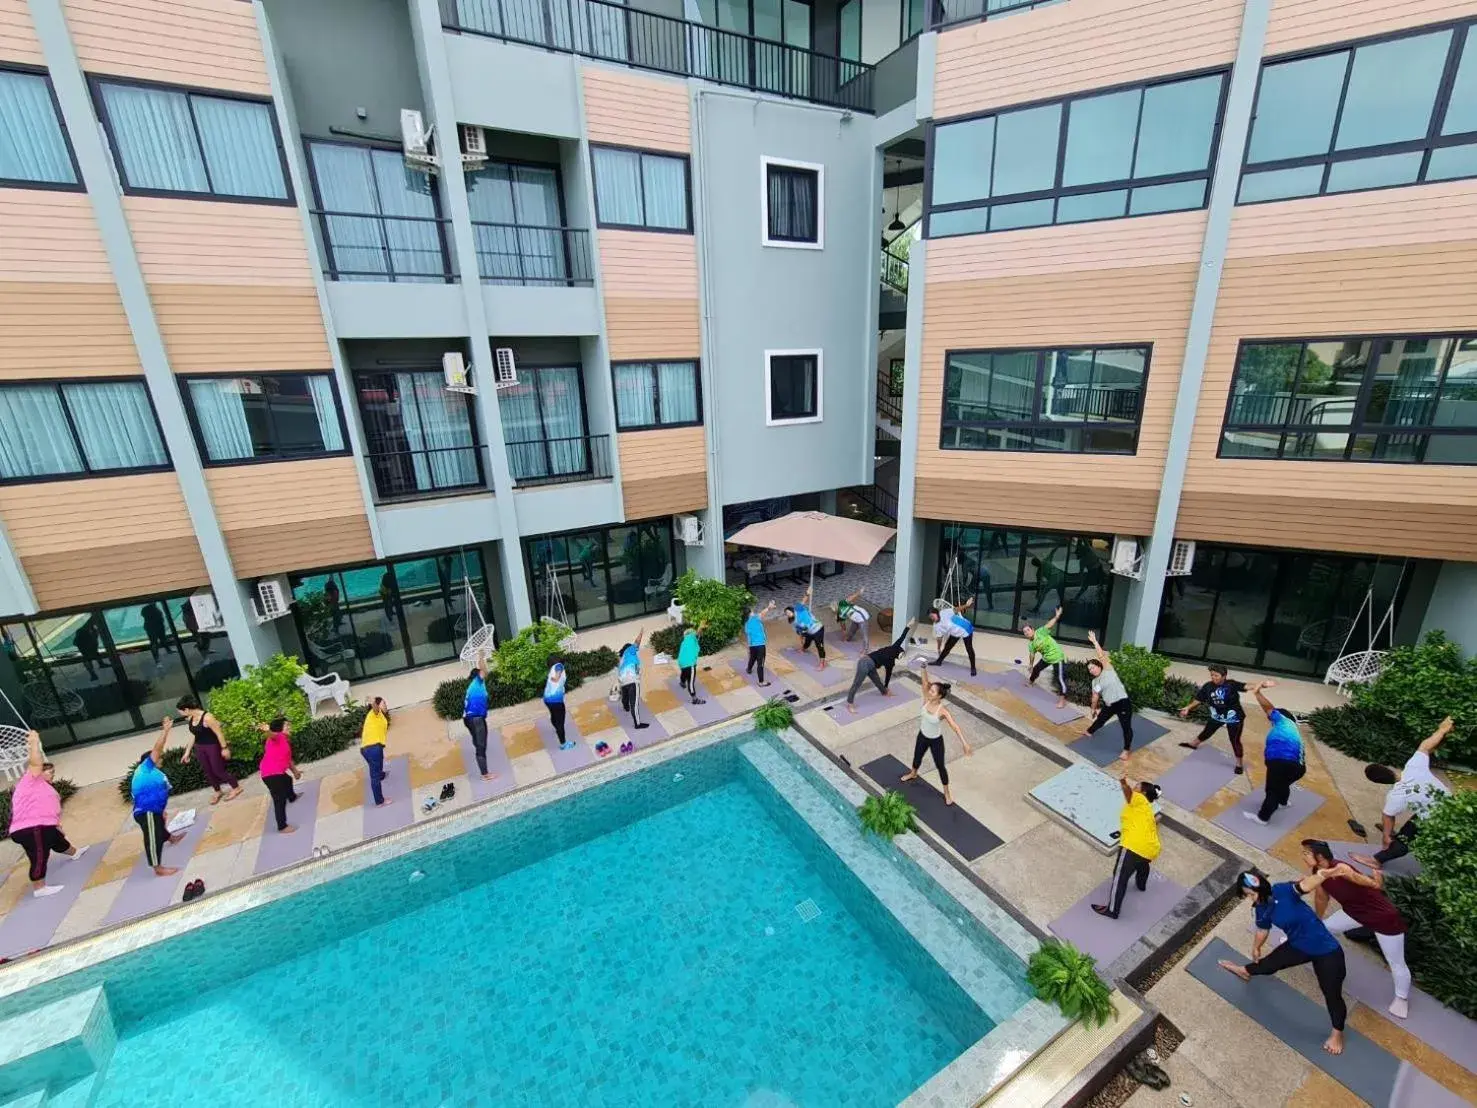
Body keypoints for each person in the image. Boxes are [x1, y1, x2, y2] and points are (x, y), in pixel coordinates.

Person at [1218, 870, 1348, 1056]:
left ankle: (1337, 1033)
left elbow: (1305, 886)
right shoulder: (1261, 908)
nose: (1251, 899)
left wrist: (1324, 874)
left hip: (1327, 950)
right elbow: (1262, 930)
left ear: (1261, 887)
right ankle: (1245, 971)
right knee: (1268, 965)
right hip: (1298, 946)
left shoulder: (1282, 891)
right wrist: (1256, 948)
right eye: (1248, 896)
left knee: (1332, 995)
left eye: (1251, 894)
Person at [1300, 839, 1411, 1019]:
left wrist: (1374, 883)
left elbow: (1358, 878)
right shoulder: (1318, 872)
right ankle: (1301, 943)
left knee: (1396, 962)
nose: (1303, 856)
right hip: (1353, 913)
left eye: (1306, 853)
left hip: (1383, 918)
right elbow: (1321, 897)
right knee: (1325, 927)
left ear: (1319, 856)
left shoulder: (1341, 868)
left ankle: (1401, 999)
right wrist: (1316, 921)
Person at [1353, 716, 1453, 871]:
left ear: (1380, 782)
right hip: (1450, 803)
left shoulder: (1395, 796)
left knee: (1404, 840)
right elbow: (1425, 745)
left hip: (1435, 818)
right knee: (1417, 819)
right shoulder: (1413, 766)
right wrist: (1442, 730)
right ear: (1387, 769)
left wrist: (1386, 837)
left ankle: (1377, 860)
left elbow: (1388, 816)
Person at [8, 730, 86, 897]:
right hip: (31, 827)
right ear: (38, 772)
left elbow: (51, 810)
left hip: (44, 825)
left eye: (53, 772)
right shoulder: (30, 780)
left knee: (56, 840)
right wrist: (34, 742)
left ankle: (74, 853)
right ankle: (39, 888)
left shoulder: (47, 789)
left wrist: (57, 826)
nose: (52, 774)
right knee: (39, 854)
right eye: (49, 771)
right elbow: (35, 762)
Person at [898, 664, 973, 805]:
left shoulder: (942, 711)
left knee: (940, 766)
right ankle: (913, 773)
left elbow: (955, 727)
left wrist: (965, 743)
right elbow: (925, 682)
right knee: (917, 757)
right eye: (930, 690)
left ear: (939, 696)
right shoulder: (926, 699)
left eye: (932, 691)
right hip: (922, 736)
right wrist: (923, 668)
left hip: (935, 741)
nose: (929, 692)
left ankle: (947, 793)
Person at [1093, 777, 1161, 919]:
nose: (1134, 787)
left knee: (1119, 877)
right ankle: (1141, 884)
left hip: (1133, 845)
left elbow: (1128, 794)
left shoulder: (1139, 799)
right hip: (1150, 848)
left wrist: (1123, 783)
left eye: (1137, 786)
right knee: (1142, 863)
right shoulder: (1147, 808)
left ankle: (1112, 910)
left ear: (1143, 793)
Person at [1243, 681, 1305, 827]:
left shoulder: (1283, 720)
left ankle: (1262, 818)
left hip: (1281, 761)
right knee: (1283, 785)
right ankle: (1283, 802)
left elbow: (1268, 708)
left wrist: (1257, 693)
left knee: (1272, 790)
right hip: (1299, 768)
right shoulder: (1294, 730)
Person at [131, 718, 183, 877]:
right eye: (159, 757)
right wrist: (166, 731)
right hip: (146, 811)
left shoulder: (155, 773)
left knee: (158, 826)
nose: (161, 758)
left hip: (154, 809)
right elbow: (158, 748)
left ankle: (171, 838)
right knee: (152, 837)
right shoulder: (145, 769)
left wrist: (161, 810)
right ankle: (158, 868)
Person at [1177, 663, 1248, 774]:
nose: (1213, 678)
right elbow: (1199, 699)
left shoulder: (1231, 684)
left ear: (1224, 676)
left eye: (1216, 675)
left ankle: (1239, 764)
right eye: (1212, 675)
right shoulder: (1208, 686)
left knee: (1234, 740)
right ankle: (1193, 744)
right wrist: (1188, 708)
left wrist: (1261, 685)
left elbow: (1246, 686)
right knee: (1207, 731)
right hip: (1217, 716)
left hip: (1234, 717)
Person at [176, 694, 241, 805]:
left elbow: (219, 733)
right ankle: (217, 791)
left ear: (186, 709)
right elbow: (193, 735)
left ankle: (236, 787)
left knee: (218, 770)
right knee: (208, 771)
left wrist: (224, 748)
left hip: (212, 746)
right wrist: (187, 752)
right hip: (199, 748)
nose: (180, 714)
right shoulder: (191, 718)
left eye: (180, 711)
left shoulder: (207, 717)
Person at [1082, 630, 1134, 761]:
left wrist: (1095, 642)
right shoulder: (1095, 682)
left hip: (1122, 703)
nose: (1092, 670)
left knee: (1125, 727)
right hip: (1109, 705)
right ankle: (1089, 731)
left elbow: (1101, 655)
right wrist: (1093, 709)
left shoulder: (1108, 670)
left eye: (1093, 667)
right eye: (1089, 669)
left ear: (1099, 666)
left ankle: (1126, 750)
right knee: (1100, 719)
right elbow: (1095, 697)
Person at [846, 622, 915, 713]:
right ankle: (850, 703)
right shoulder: (894, 649)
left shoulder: (891, 661)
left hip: (871, 666)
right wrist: (908, 626)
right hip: (865, 662)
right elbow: (902, 637)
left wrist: (886, 687)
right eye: (901, 655)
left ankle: (884, 692)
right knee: (857, 683)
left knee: (877, 680)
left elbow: (888, 675)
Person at [259, 717, 303, 834]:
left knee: (287, 780)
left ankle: (292, 797)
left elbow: (288, 760)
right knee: (279, 799)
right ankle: (282, 826)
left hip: (276, 772)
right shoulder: (278, 737)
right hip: (271, 774)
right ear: (279, 729)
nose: (289, 727)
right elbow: (272, 735)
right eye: (287, 726)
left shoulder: (284, 741)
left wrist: (295, 772)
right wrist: (268, 730)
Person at [1022, 606, 1068, 708]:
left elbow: (1049, 625)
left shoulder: (1041, 632)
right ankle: (1030, 682)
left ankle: (1062, 700)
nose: (1027, 633)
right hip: (1046, 658)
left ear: (1033, 630)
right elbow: (1032, 654)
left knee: (1060, 679)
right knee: (1036, 669)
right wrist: (1030, 664)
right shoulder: (1031, 644)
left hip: (1057, 658)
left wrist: (1057, 616)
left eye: (1028, 630)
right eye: (1024, 632)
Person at [463, 651, 495, 781]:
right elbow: (483, 670)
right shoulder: (477, 682)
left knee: (478, 742)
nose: (484, 676)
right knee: (481, 746)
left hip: (468, 719)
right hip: (476, 719)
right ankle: (485, 774)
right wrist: (481, 657)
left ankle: (479, 755)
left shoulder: (472, 687)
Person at [929, 597, 977, 675]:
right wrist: (938, 648)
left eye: (932, 616)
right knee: (947, 647)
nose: (932, 618)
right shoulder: (936, 626)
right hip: (954, 633)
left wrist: (966, 605)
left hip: (965, 628)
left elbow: (956, 609)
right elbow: (939, 638)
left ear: (937, 613)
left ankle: (973, 668)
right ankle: (939, 662)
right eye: (930, 617)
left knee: (969, 649)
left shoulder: (944, 613)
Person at [785, 588, 827, 671]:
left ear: (793, 610)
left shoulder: (798, 609)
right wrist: (801, 638)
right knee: (807, 642)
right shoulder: (793, 622)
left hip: (818, 629)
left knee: (819, 646)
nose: (788, 614)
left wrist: (807, 593)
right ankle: (803, 648)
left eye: (789, 612)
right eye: (786, 613)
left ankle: (822, 663)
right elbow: (799, 632)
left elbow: (803, 601)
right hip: (808, 631)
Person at [361, 697, 392, 807]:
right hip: (372, 748)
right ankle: (380, 801)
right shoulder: (375, 713)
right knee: (374, 776)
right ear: (378, 705)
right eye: (384, 703)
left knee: (378, 766)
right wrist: (373, 702)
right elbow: (375, 708)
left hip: (370, 748)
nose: (386, 705)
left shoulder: (379, 716)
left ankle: (381, 775)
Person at [618, 630, 648, 731]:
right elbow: (637, 642)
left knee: (625, 696)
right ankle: (637, 724)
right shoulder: (630, 650)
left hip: (623, 681)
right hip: (632, 680)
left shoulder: (622, 660)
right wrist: (641, 633)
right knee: (634, 703)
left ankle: (626, 706)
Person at [743, 601, 778, 687]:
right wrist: (769, 607)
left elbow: (748, 637)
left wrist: (748, 648)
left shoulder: (746, 624)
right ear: (750, 613)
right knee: (760, 664)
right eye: (752, 611)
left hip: (752, 646)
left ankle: (749, 669)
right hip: (760, 646)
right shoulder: (755, 618)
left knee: (752, 658)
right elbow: (762, 613)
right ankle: (761, 682)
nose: (753, 612)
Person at [544, 661, 575, 752]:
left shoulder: (551, 669)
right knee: (560, 722)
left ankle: (557, 729)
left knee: (553, 715)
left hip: (547, 699)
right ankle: (563, 744)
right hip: (556, 701)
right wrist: (555, 678)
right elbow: (557, 677)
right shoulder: (558, 665)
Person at [676, 622, 707, 706]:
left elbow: (698, 635)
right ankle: (694, 699)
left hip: (681, 662)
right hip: (690, 663)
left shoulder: (684, 641)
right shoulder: (692, 637)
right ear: (691, 633)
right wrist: (700, 627)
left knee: (684, 672)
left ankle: (682, 682)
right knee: (691, 682)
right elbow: (698, 633)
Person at [73, 616, 101, 681]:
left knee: (89, 658)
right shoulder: (81, 631)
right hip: (86, 649)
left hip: (90, 649)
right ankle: (93, 673)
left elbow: (95, 639)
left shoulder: (93, 630)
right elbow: (75, 643)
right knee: (88, 658)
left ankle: (94, 671)